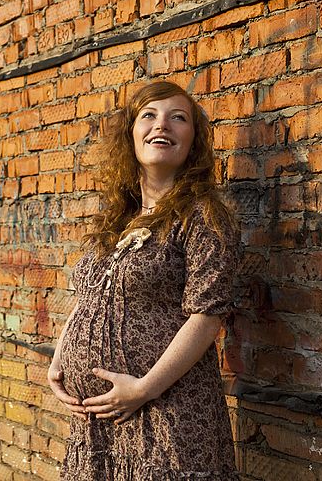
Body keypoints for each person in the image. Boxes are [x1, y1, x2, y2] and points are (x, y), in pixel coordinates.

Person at [48, 81, 242, 480]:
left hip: (165, 413)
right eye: (149, 115)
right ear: (132, 133)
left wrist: (144, 388)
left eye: (179, 117)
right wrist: (59, 357)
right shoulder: (118, 220)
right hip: (100, 424)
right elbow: (91, 298)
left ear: (193, 139)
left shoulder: (202, 217)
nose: (163, 125)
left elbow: (207, 318)